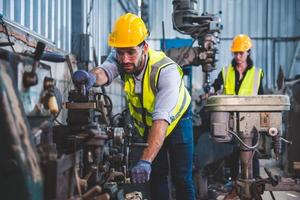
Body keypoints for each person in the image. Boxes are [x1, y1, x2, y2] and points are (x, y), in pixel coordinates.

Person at [72, 13, 195, 200]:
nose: (125, 59)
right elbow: (105, 71)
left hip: (177, 124)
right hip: (149, 126)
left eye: (130, 52)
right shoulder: (121, 58)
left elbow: (161, 121)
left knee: (181, 178)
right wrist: (90, 78)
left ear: (144, 47)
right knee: (156, 176)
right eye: (120, 52)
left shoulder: (165, 71)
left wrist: (145, 160)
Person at [211, 34, 263, 199]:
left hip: (250, 119)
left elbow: (261, 96)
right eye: (235, 53)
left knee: (251, 152)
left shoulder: (257, 73)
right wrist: (211, 92)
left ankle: (253, 183)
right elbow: (214, 87)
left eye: (241, 53)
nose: (238, 56)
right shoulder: (226, 72)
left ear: (248, 52)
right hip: (231, 120)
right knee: (232, 152)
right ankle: (235, 183)